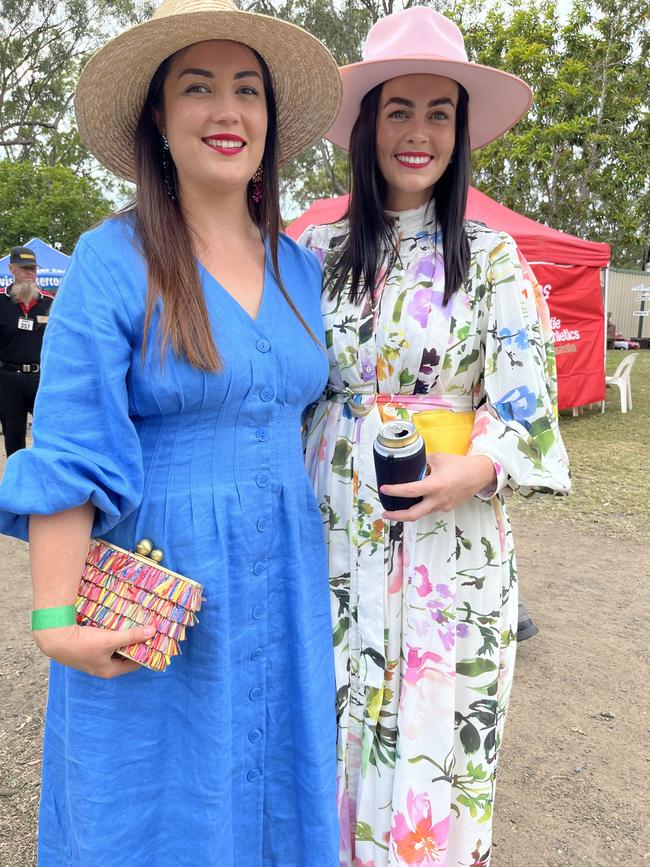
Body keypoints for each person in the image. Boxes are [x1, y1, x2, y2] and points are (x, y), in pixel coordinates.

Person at [0, 1, 343, 864]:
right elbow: (71, 450)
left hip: (287, 575)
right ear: (159, 113)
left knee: (272, 792)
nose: (227, 112)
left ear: (269, 114)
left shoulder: (300, 266)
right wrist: (51, 618)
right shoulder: (113, 259)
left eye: (245, 90)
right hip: (163, 582)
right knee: (154, 812)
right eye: (198, 88)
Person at [300, 8, 570, 866]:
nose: (419, 133)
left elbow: (529, 401)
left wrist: (478, 467)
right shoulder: (311, 251)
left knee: (435, 732)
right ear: (368, 123)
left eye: (439, 112)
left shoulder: (491, 259)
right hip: (333, 530)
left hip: (451, 539)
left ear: (460, 129)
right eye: (399, 109)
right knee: (330, 719)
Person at [0, 246, 52, 456]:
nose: (29, 273)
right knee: (13, 437)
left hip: (41, 378)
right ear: (12, 268)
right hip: (8, 379)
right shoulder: (0, 301)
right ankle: (17, 483)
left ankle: (45, 478)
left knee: (49, 432)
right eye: (24, 268)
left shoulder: (49, 302)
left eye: (32, 268)